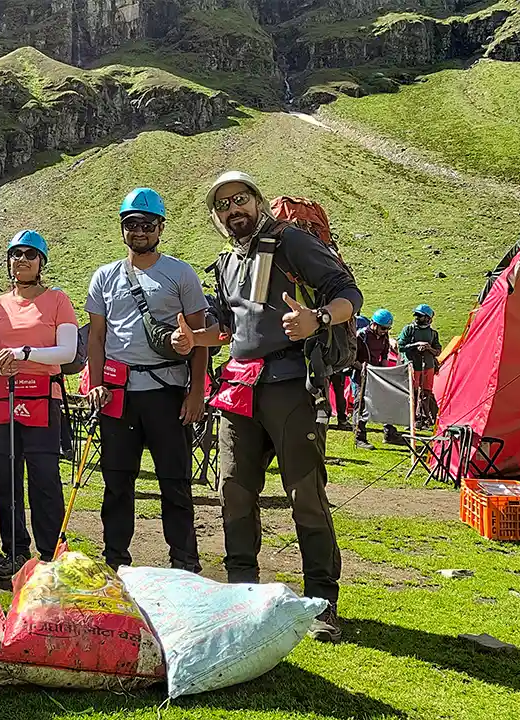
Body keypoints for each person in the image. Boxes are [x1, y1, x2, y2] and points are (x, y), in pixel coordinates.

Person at [174, 170, 362, 641]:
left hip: (291, 384)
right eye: (222, 205)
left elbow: (348, 293)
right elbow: (226, 325)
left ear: (257, 201)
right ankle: (243, 596)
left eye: (240, 199)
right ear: (216, 217)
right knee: (233, 490)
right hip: (239, 389)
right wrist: (195, 339)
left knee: (305, 495)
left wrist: (318, 318)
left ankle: (321, 602)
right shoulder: (225, 262)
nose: (232, 210)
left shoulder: (292, 241)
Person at [85, 188, 207, 573]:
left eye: (147, 224)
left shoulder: (180, 273)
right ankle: (115, 561)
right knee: (117, 482)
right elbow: (97, 337)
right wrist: (95, 384)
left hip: (167, 392)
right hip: (118, 394)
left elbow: (200, 338)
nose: (139, 231)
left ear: (161, 227)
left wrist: (197, 392)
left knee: (175, 481)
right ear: (122, 228)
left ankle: (184, 563)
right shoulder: (104, 276)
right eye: (131, 224)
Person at [0, 231, 78, 574]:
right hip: (0, 396)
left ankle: (51, 555)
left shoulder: (58, 301)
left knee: (44, 476)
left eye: (30, 254)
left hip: (42, 397)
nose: (21, 259)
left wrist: (24, 353)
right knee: (6, 476)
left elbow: (67, 351)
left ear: (41, 262)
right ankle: (15, 552)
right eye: (16, 254)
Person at [354, 308, 402, 449]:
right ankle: (359, 438)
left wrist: (384, 372)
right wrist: (362, 368)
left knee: (385, 402)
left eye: (388, 329)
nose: (385, 331)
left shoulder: (384, 337)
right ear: (374, 324)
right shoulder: (361, 336)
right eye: (383, 328)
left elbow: (385, 355)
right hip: (361, 375)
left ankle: (390, 434)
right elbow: (351, 358)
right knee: (361, 405)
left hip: (377, 374)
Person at [398, 304, 442, 429]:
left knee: (426, 394)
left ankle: (425, 419)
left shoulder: (433, 334)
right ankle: (411, 419)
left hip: (429, 366)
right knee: (412, 394)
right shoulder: (408, 329)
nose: (417, 317)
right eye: (416, 315)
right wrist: (416, 345)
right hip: (413, 366)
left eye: (420, 316)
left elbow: (438, 351)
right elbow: (401, 346)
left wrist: (429, 348)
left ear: (428, 318)